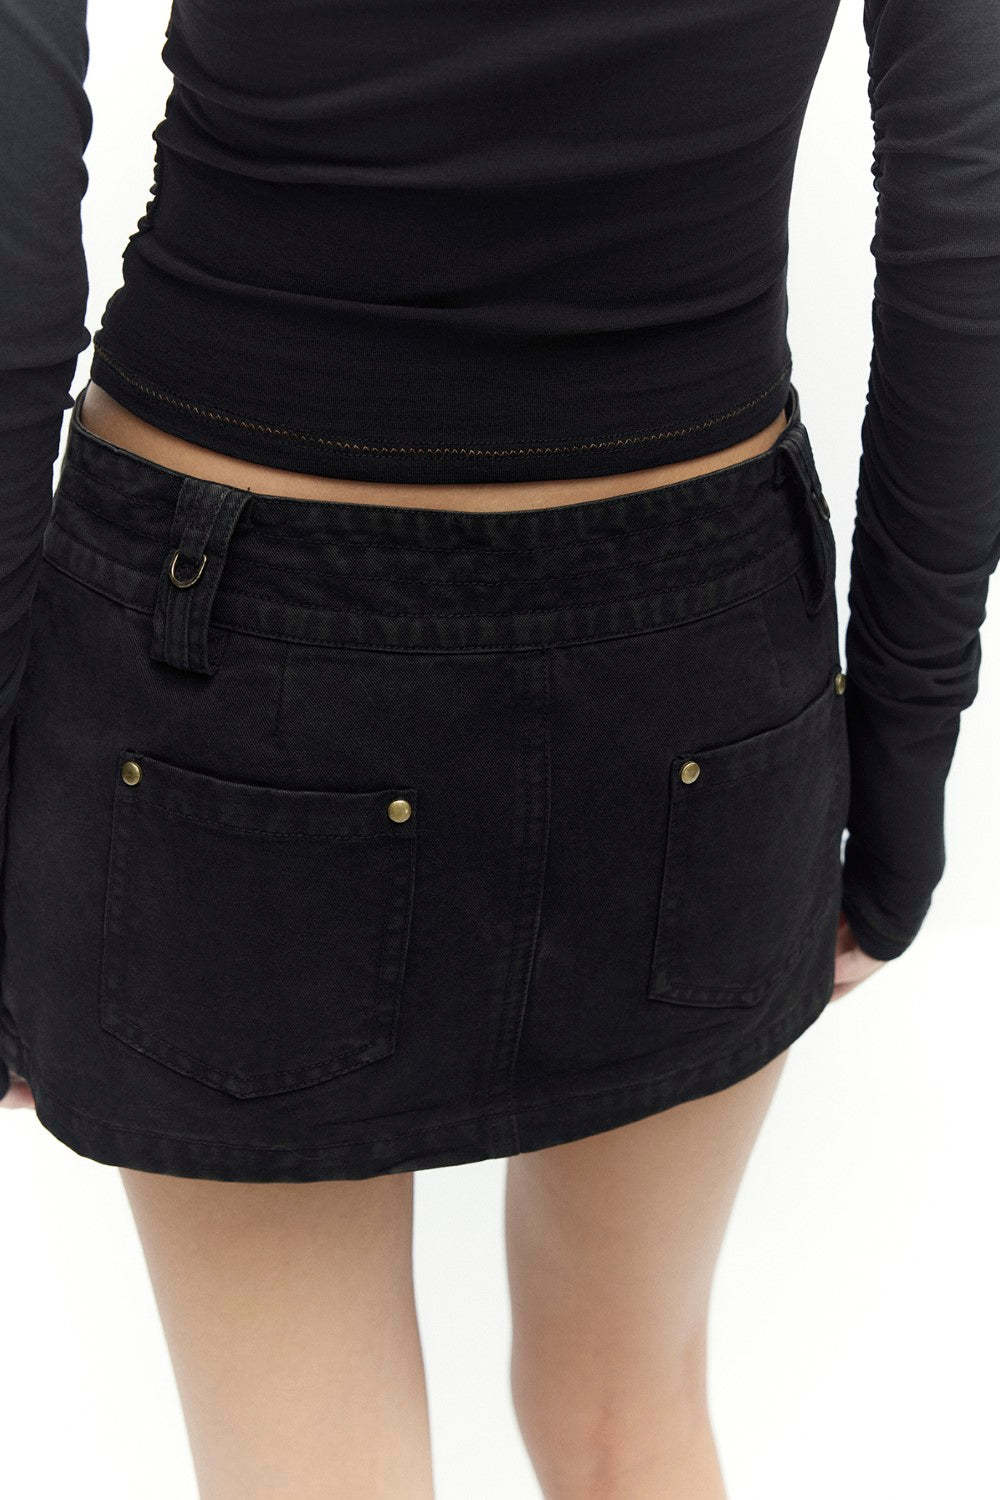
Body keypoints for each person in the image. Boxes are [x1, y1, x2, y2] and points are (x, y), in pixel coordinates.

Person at [1, 2, 996, 1495]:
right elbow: (969, 207)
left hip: (229, 645)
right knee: (629, 1422)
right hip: (702, 644)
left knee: (309, 1475)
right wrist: (901, 775)